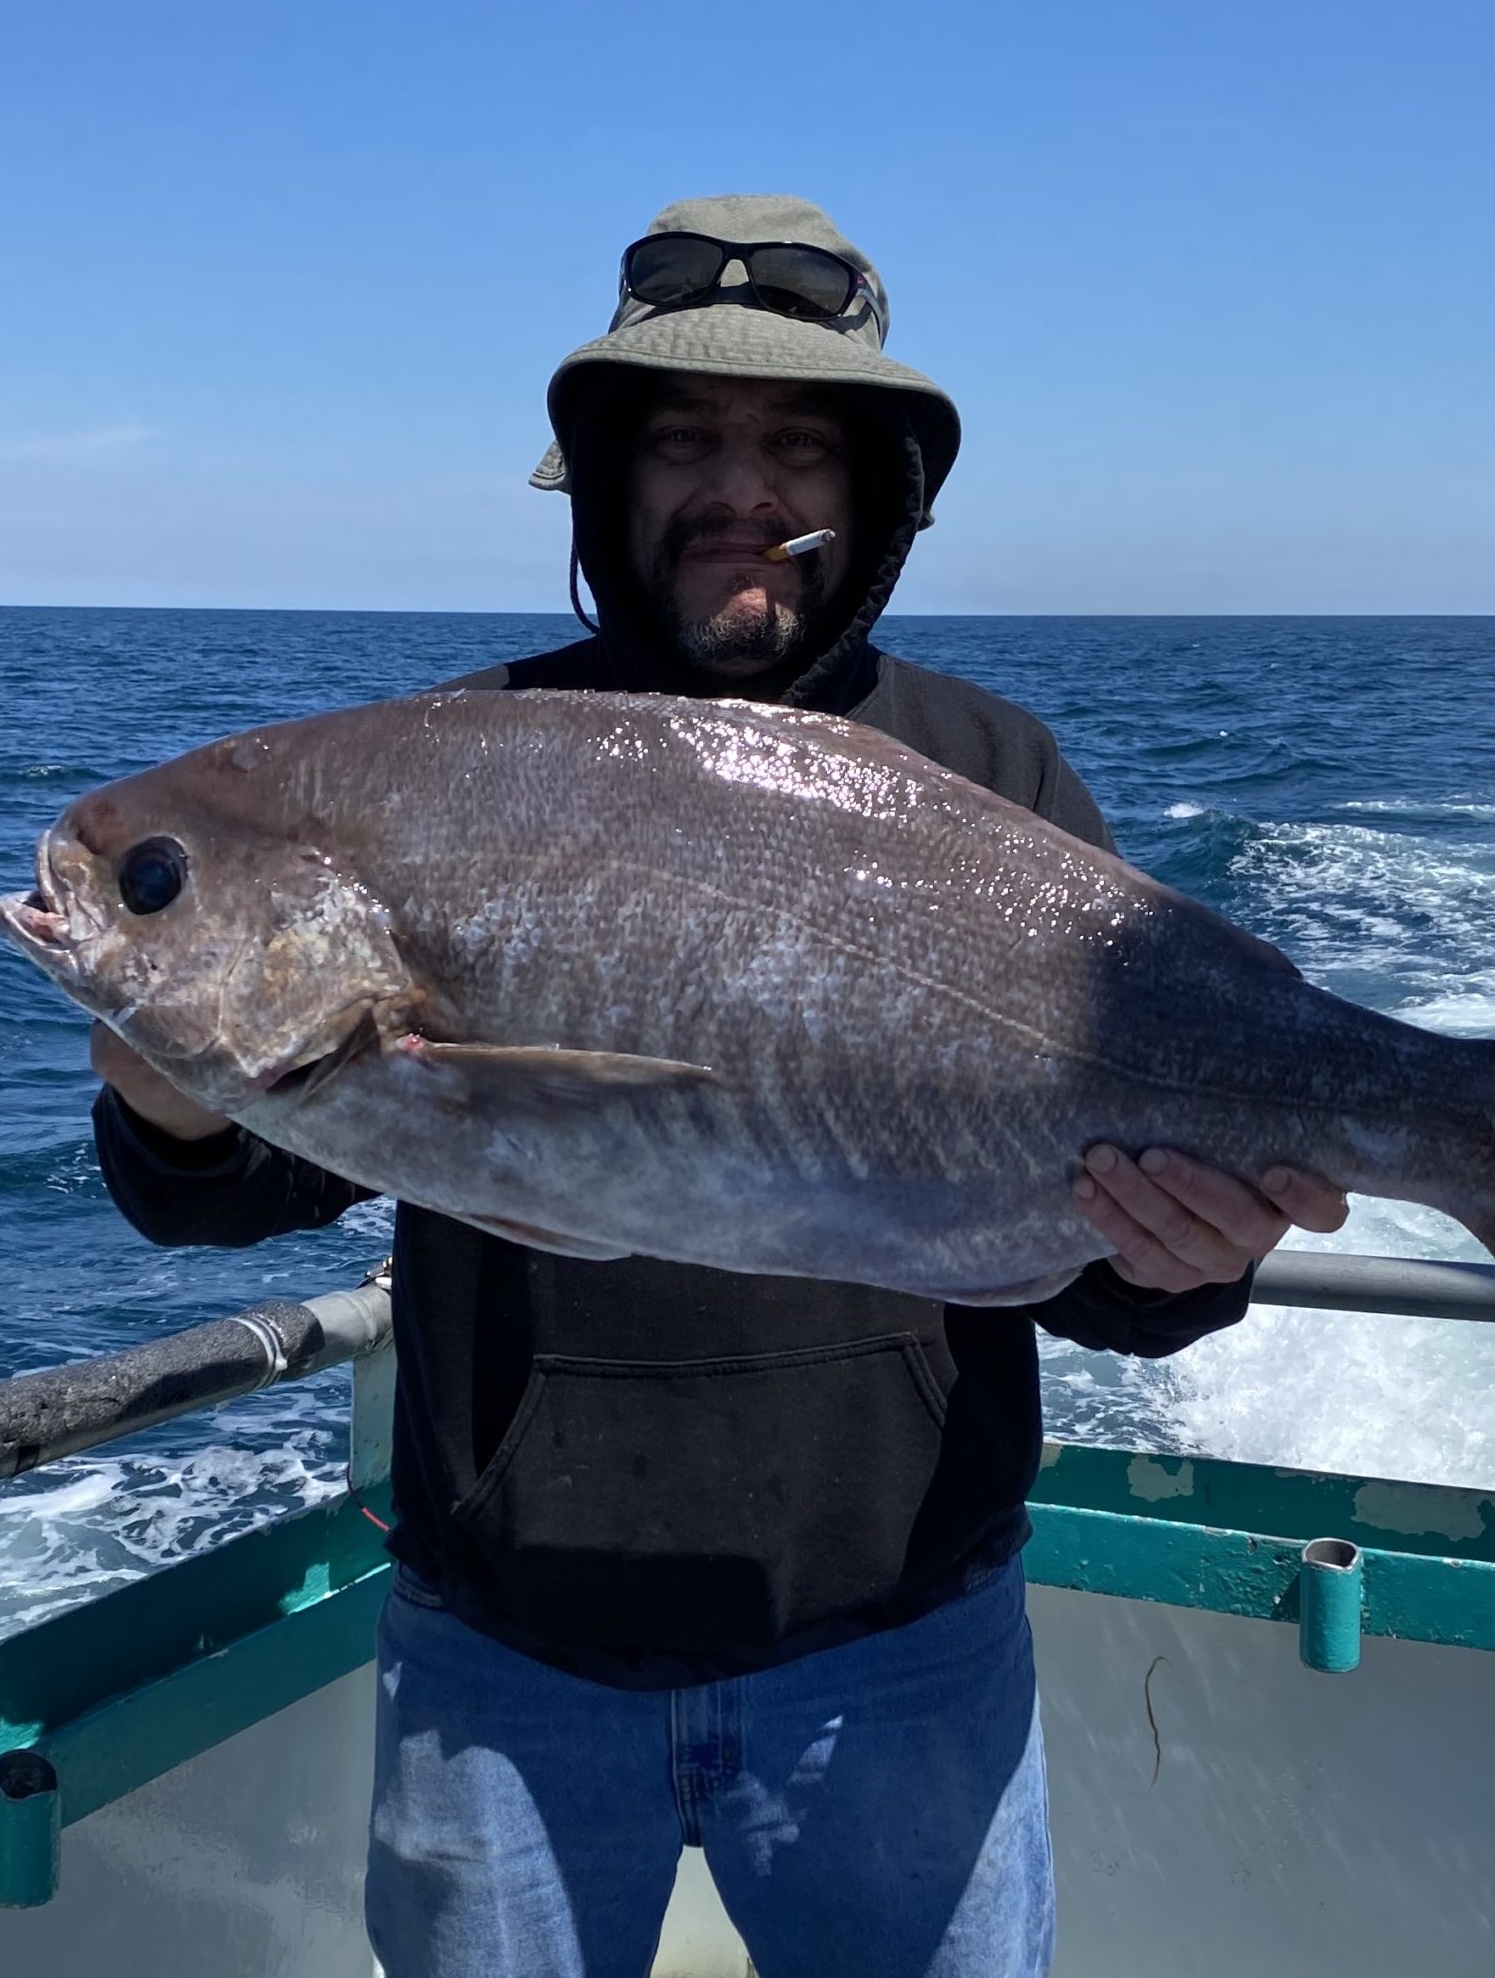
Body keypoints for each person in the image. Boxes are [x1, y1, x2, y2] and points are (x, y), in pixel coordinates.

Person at [89, 196, 1347, 1978]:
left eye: (794, 443)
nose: (737, 488)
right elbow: (235, 1182)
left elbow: (1120, 1283)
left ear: (880, 493)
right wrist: (171, 1082)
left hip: (903, 1652)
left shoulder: (995, 774)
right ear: (607, 485)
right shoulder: (451, 773)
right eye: (684, 440)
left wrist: (1188, 1255)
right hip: (503, 1663)